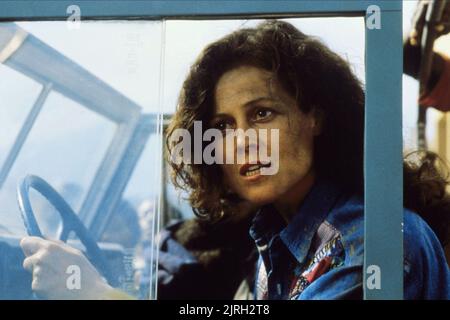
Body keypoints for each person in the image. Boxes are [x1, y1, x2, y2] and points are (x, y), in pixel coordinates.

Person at [20, 20, 450, 300]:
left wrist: (96, 294)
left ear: (315, 117)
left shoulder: (372, 243)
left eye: (262, 113)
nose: (243, 142)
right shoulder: (278, 236)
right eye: (223, 127)